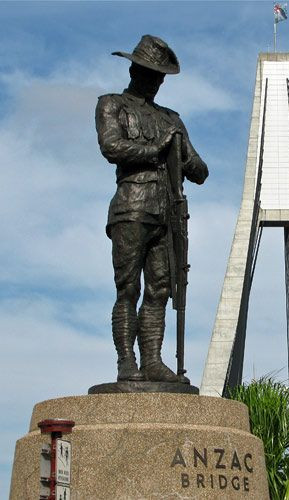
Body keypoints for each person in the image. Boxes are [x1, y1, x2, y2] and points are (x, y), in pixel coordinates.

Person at [95, 35, 208, 383]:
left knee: (160, 289)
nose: (154, 82)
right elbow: (112, 146)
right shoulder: (111, 104)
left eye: (159, 76)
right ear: (133, 69)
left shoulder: (171, 119)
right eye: (149, 73)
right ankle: (127, 362)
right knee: (127, 288)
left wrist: (184, 153)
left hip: (167, 214)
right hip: (131, 207)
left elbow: (199, 172)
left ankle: (153, 361)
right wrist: (158, 148)